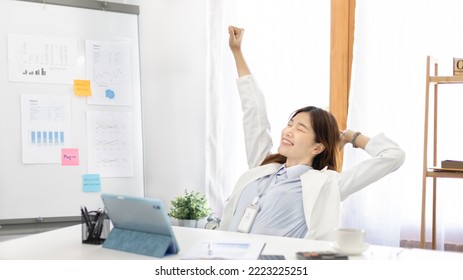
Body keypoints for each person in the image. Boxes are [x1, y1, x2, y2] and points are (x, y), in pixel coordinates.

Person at [219, 26, 405, 241]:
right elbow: (254, 110)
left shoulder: (327, 185)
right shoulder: (263, 166)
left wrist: (351, 136)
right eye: (290, 124)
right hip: (229, 257)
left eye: (300, 129)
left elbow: (394, 156)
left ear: (317, 147)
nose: (289, 131)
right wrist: (237, 51)